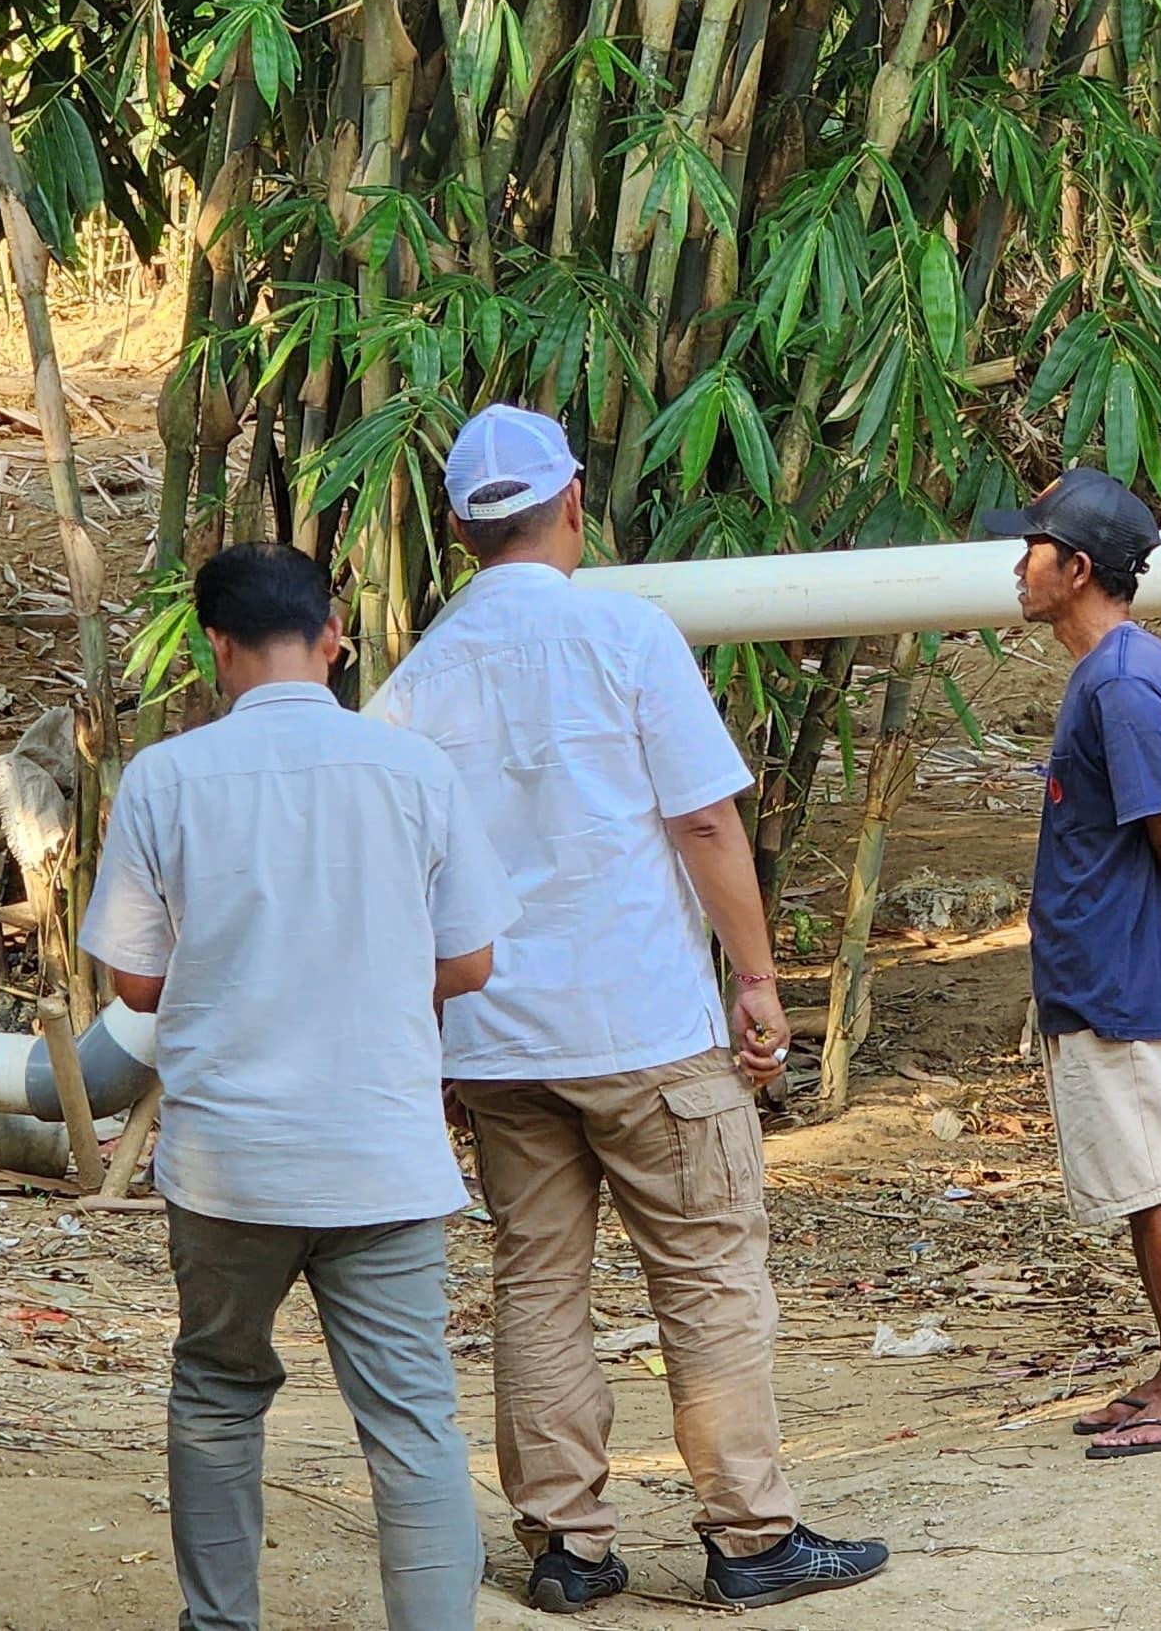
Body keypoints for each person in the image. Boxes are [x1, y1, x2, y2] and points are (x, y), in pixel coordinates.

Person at [369, 405, 886, 1612]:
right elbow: (704, 819)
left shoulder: (411, 685)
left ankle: (568, 1544)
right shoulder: (624, 633)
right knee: (705, 1270)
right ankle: (750, 1535)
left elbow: (407, 879)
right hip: (642, 1022)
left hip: (495, 1033)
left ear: (453, 527)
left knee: (536, 1278)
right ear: (571, 506)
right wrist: (757, 977)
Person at [78, 542, 514, 1631]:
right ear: (333, 638)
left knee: (220, 1390)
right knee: (412, 1419)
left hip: (231, 1159)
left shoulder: (166, 778)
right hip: (383, 1152)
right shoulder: (414, 770)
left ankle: (219, 1620)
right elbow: (468, 963)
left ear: (215, 650)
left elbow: (135, 976)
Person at [987, 468, 1161, 1461]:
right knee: (1145, 1179)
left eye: (1033, 548)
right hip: (1117, 967)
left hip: (1118, 976)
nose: (1019, 564)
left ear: (1078, 566)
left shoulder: (1121, 682)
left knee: (1157, 1176)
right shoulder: (1128, 668)